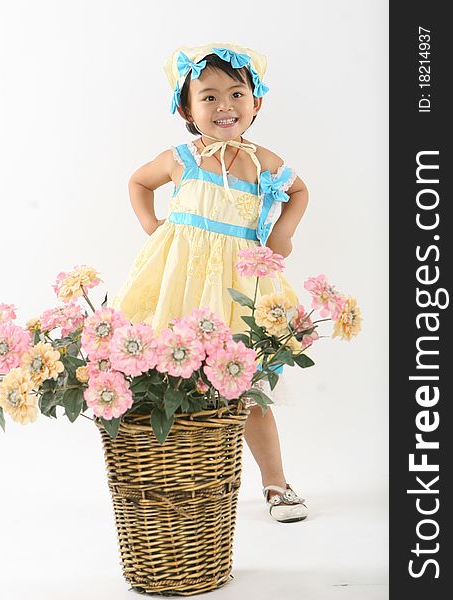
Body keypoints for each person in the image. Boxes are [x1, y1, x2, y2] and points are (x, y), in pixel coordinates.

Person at [110, 42, 309, 523]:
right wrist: (153, 226)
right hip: (179, 283)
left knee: (246, 385)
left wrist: (282, 232)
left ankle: (275, 483)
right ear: (186, 108)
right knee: (168, 378)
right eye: (209, 97)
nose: (225, 106)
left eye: (237, 94)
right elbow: (138, 181)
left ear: (256, 102)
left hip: (237, 289)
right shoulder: (181, 157)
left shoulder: (262, 161)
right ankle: (173, 483)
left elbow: (299, 191)